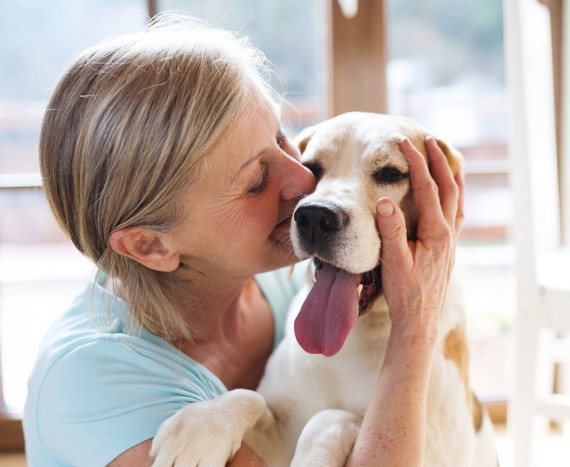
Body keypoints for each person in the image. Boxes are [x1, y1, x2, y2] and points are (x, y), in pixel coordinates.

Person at [23, 12, 464, 467]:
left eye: (281, 139)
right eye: (256, 180)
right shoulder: (95, 390)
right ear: (152, 246)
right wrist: (415, 328)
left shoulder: (287, 283)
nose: (303, 184)